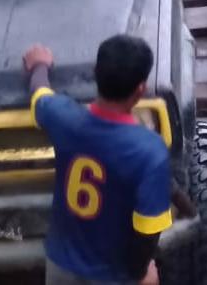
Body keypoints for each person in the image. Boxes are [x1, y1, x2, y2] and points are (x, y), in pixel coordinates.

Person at [24, 36, 169, 285]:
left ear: (95, 73)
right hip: (112, 275)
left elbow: (39, 93)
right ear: (140, 90)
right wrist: (141, 274)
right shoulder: (150, 151)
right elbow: (147, 233)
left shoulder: (63, 117)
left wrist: (39, 65)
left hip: (61, 264)